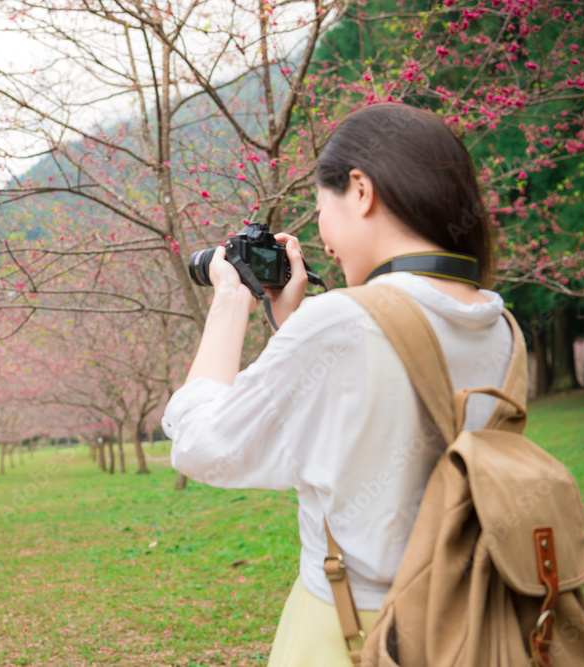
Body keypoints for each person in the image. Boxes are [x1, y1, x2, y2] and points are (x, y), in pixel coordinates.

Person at [161, 103, 515, 665]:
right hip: (473, 622)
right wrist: (295, 328)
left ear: (360, 190)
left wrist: (231, 300)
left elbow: (203, 446)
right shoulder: (500, 326)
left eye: (323, 207)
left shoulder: (343, 322)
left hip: (353, 631)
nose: (324, 239)